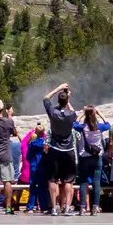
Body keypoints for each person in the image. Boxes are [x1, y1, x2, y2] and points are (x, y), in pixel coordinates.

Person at [43, 84, 80, 217]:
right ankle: (67, 208)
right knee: (68, 180)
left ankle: (54, 208)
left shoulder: (53, 113)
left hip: (54, 149)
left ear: (58, 101)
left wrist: (59, 88)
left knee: (52, 179)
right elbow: (74, 113)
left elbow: (46, 98)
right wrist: (68, 100)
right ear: (66, 101)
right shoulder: (71, 115)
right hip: (68, 150)